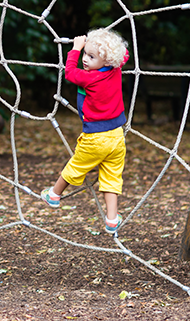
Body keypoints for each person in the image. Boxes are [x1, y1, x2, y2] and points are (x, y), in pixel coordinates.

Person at [41, 28, 129, 235]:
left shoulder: (88, 78)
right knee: (112, 176)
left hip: (96, 137)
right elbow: (123, 54)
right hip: (117, 136)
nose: (85, 60)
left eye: (91, 56)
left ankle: (54, 194)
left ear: (107, 60)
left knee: (76, 166)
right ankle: (112, 218)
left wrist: (76, 48)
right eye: (84, 55)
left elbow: (69, 72)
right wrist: (97, 43)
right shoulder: (116, 69)